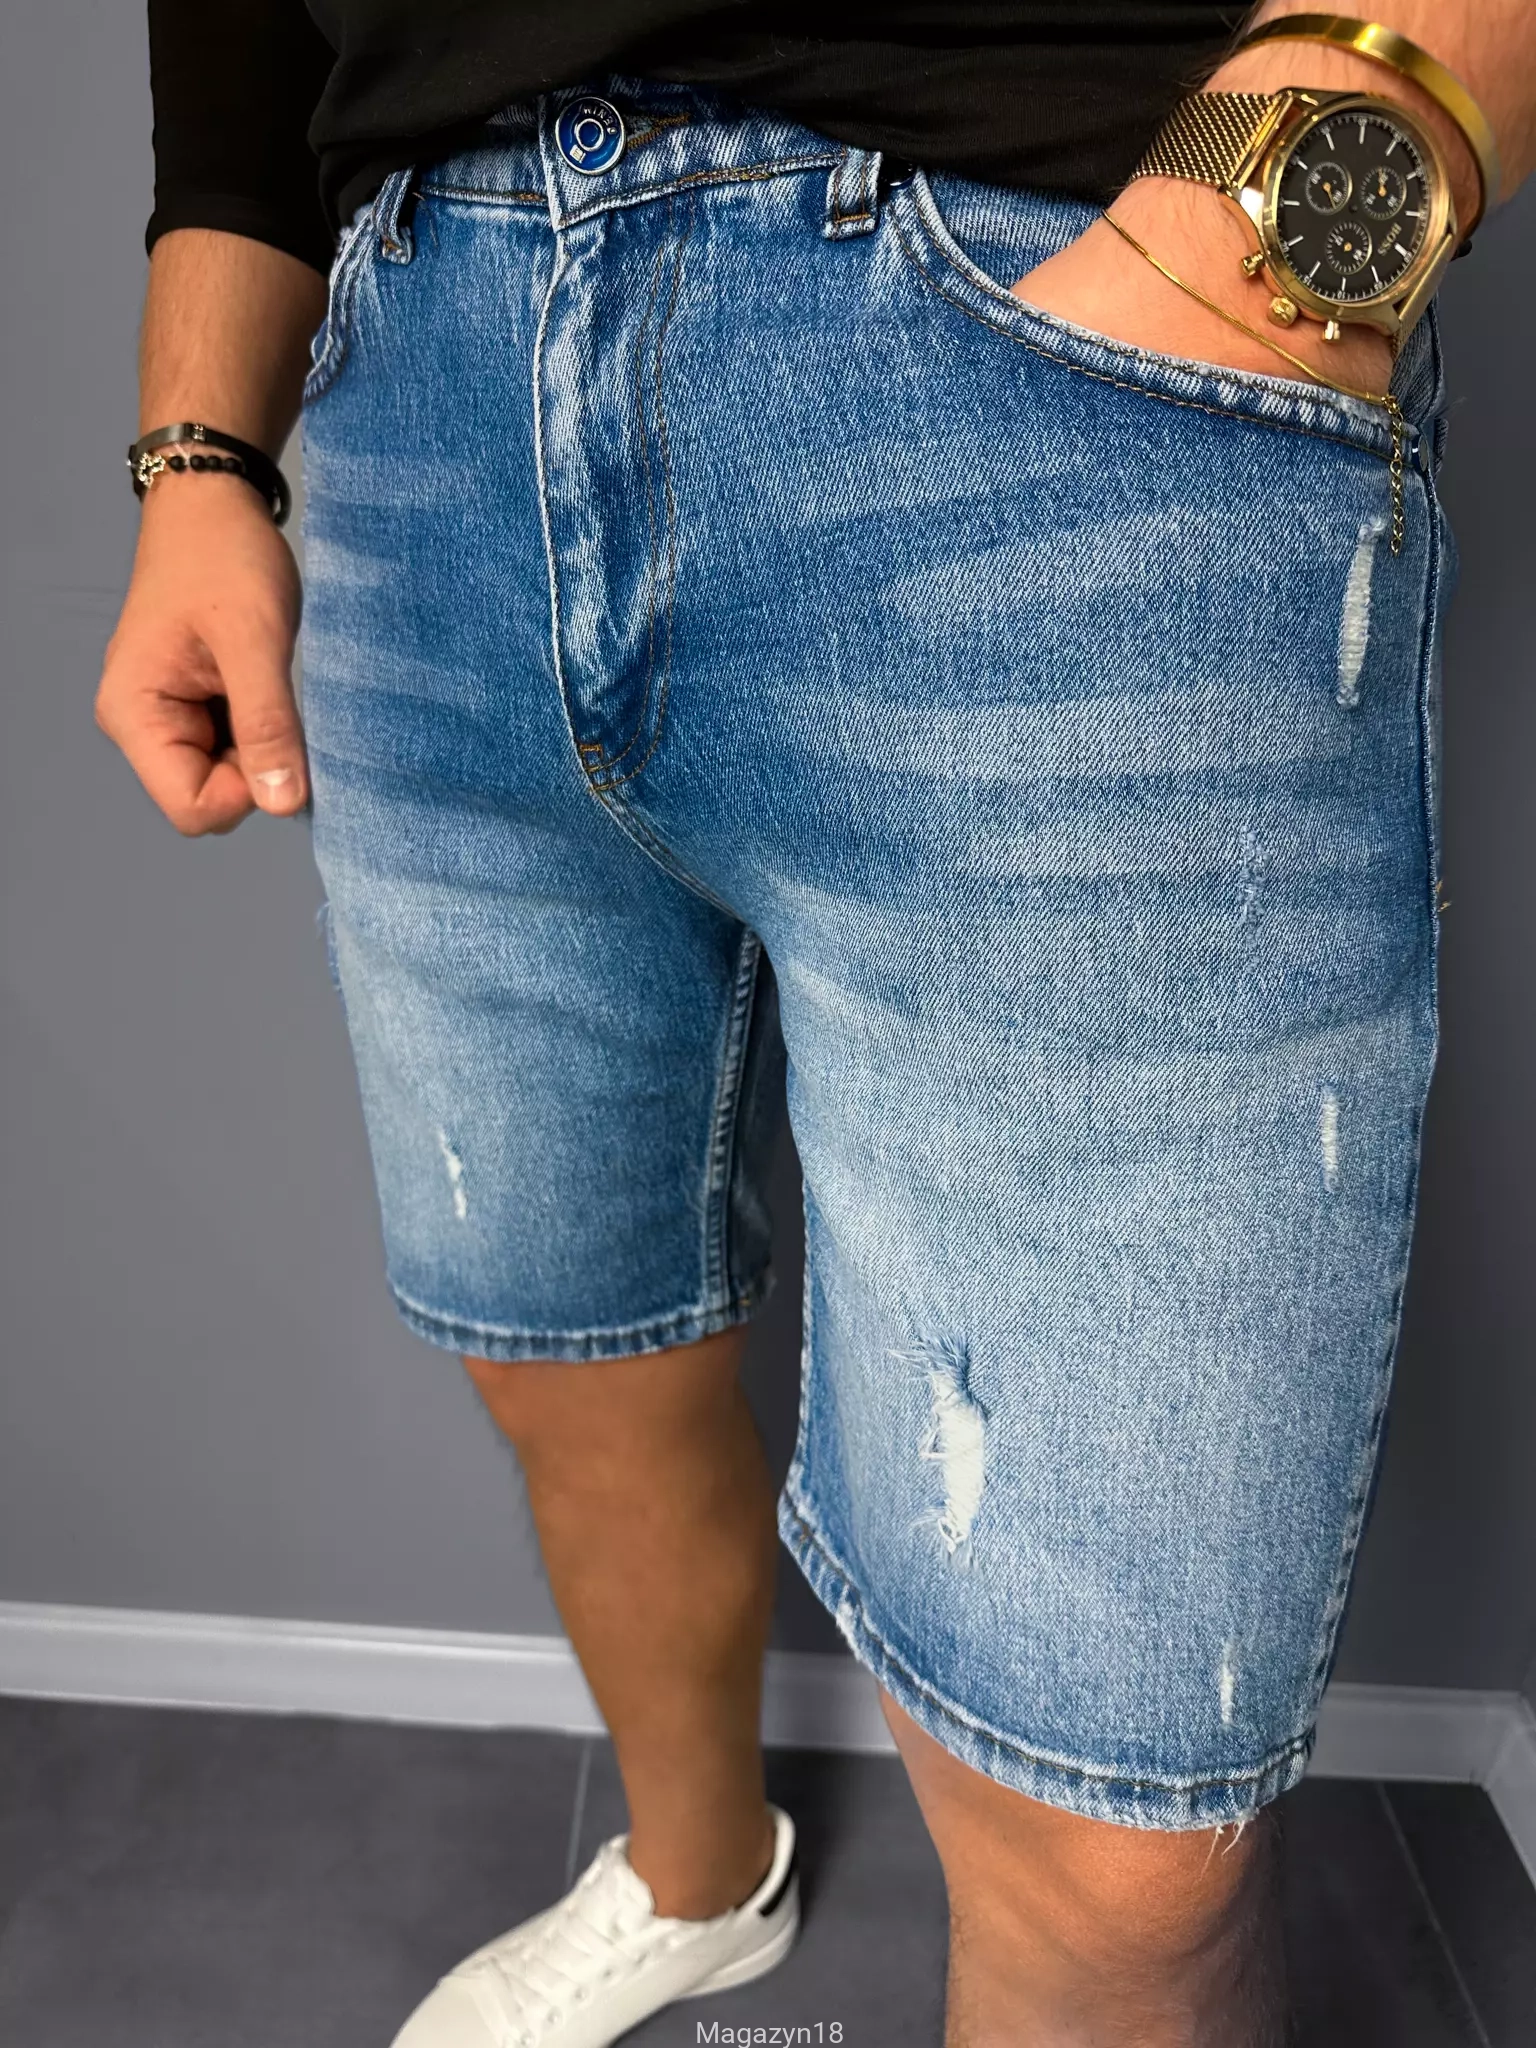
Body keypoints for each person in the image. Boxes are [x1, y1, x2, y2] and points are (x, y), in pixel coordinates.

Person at [98, 4, 1534, 2042]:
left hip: (1046, 357)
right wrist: (197, 456)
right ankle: (701, 1883)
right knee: (567, 1342)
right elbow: (233, 52)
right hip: (419, 412)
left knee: (1118, 1831)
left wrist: (1314, 178)